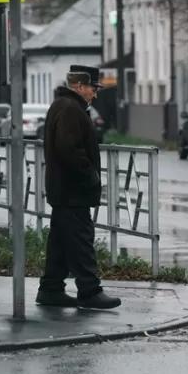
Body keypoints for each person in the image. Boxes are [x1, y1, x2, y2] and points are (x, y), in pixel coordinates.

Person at [36, 65, 121, 310]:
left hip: (64, 189)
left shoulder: (63, 106)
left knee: (61, 241)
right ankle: (89, 291)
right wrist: (91, 175)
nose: (95, 94)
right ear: (80, 86)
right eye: (93, 88)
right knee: (81, 239)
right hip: (73, 190)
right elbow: (69, 149)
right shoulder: (71, 109)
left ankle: (51, 288)